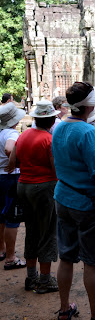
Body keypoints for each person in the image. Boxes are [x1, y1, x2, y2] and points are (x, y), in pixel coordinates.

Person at [52, 82, 95, 320]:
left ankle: (64, 308)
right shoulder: (87, 132)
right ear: (88, 106)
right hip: (86, 202)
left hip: (63, 197)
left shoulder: (58, 128)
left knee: (66, 257)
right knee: (92, 261)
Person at [7, 100, 60, 291]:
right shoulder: (49, 139)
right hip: (44, 186)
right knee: (47, 232)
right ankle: (45, 280)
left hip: (24, 185)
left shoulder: (23, 135)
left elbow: (12, 162)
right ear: (52, 119)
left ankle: (31, 277)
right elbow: (55, 167)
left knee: (31, 229)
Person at [0, 102, 26, 268]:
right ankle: (11, 257)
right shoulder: (11, 133)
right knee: (12, 218)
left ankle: (1, 249)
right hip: (10, 178)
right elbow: (10, 149)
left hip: (0, 176)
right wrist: (15, 163)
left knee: (1, 215)